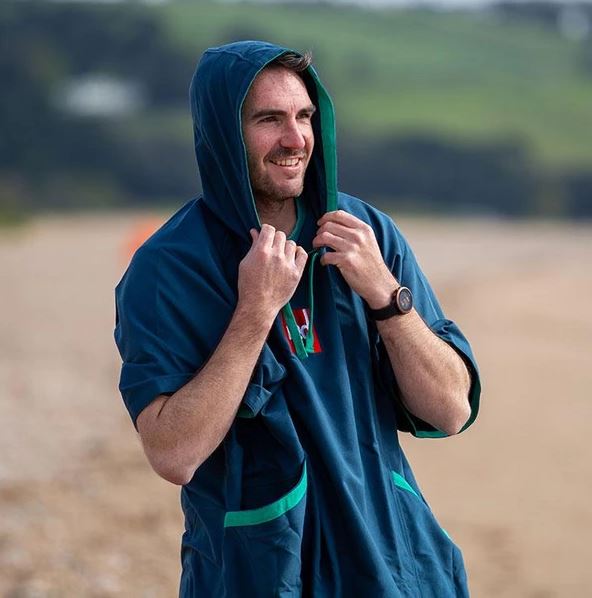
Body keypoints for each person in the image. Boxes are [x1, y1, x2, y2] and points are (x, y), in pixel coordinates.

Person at [114, 40, 481, 597]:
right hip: (258, 570)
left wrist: (385, 295)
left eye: (305, 116)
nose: (295, 139)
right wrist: (255, 311)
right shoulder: (169, 267)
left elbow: (451, 409)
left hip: (393, 563)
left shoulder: (367, 235)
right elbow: (173, 454)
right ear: (223, 132)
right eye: (269, 119)